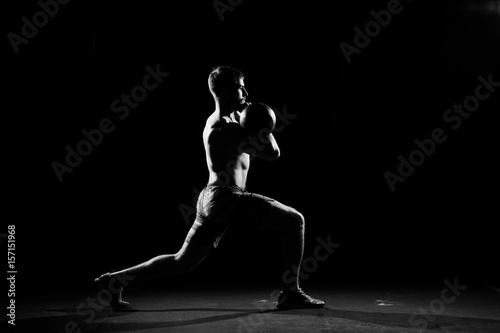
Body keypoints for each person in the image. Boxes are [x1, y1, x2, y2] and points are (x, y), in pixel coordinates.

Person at [95, 66, 325, 310]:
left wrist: (252, 117)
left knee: (181, 261)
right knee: (294, 220)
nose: (246, 91)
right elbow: (273, 153)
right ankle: (291, 293)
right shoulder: (226, 127)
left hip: (213, 199)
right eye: (239, 87)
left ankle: (114, 281)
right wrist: (264, 118)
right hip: (227, 198)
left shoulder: (227, 121)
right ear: (225, 91)